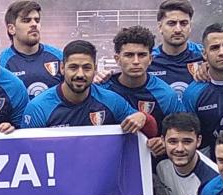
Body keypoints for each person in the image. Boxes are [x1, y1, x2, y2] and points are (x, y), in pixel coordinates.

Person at [21, 40, 160, 146]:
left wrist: (144, 117)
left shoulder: (111, 101)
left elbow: (150, 132)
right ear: (62, 68)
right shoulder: (39, 107)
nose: (80, 74)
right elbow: (25, 149)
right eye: (73, 67)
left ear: (95, 69)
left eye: (87, 68)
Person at [104, 25, 184, 142]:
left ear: (150, 59)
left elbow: (182, 131)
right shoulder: (102, 88)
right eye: (129, 55)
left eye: (142, 55)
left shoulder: (165, 94)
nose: (136, 61)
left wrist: (165, 144)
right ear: (117, 59)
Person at [0, 0, 63, 97]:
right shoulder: (2, 63)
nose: (34, 24)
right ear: (11, 29)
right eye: (26, 21)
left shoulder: (58, 57)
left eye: (37, 20)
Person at [146, 0, 206, 98]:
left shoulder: (204, 56)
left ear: (190, 26)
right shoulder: (148, 60)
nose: (178, 30)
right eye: (171, 23)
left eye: (184, 23)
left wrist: (215, 67)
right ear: (160, 27)